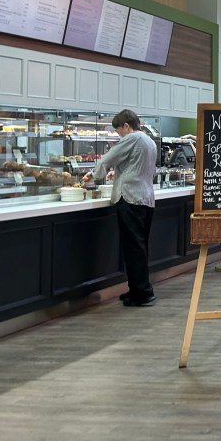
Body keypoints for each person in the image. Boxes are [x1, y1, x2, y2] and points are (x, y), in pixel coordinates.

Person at [81, 109, 157, 307]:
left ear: (126, 126)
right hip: (146, 198)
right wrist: (120, 173)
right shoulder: (149, 140)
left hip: (130, 198)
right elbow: (139, 167)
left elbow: (108, 158)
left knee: (133, 248)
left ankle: (142, 294)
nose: (118, 135)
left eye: (118, 131)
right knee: (140, 247)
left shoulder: (132, 137)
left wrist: (93, 175)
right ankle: (138, 289)